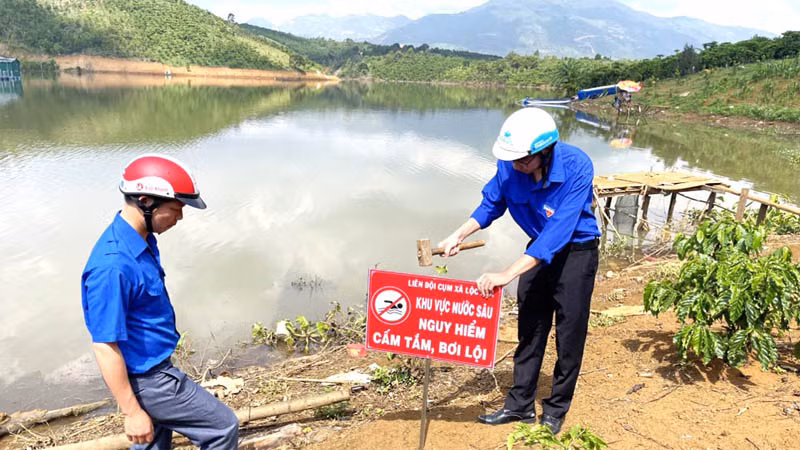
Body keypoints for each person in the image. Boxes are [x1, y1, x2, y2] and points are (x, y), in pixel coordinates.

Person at [438, 108, 601, 434]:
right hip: (537, 249)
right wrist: (459, 234)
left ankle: (556, 409)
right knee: (530, 328)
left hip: (576, 252)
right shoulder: (511, 164)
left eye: (523, 161)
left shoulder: (578, 166)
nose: (516, 167)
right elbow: (491, 204)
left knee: (569, 333)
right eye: (512, 160)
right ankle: (520, 405)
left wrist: (506, 274)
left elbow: (557, 232)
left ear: (545, 151)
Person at [81, 154, 239, 449]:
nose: (180, 218)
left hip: (152, 370)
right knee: (222, 427)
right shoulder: (113, 266)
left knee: (152, 444)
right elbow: (104, 345)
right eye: (176, 209)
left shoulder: (140, 239)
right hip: (149, 379)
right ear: (146, 201)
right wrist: (131, 412)